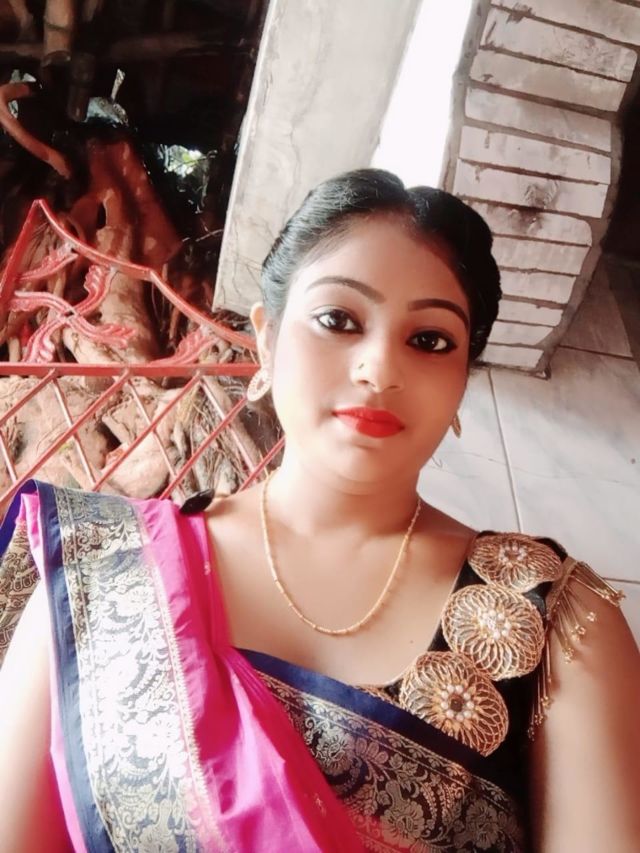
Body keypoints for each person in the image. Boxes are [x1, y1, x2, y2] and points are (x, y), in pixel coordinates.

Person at [1, 169, 639, 852]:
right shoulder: (100, 573)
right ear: (266, 340)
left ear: (462, 382)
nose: (378, 368)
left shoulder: (554, 616)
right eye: (338, 319)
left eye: (430, 339)